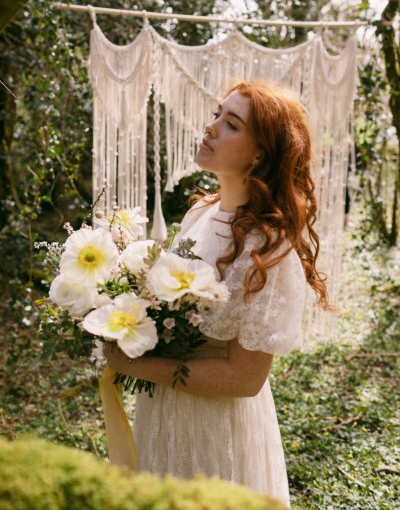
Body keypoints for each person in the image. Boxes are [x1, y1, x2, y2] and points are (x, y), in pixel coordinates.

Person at [104, 80, 329, 507]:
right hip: (164, 413)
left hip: (215, 429)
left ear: (259, 152)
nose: (210, 128)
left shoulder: (267, 247)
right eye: (216, 114)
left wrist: (136, 363)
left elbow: (246, 379)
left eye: (231, 124)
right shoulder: (199, 213)